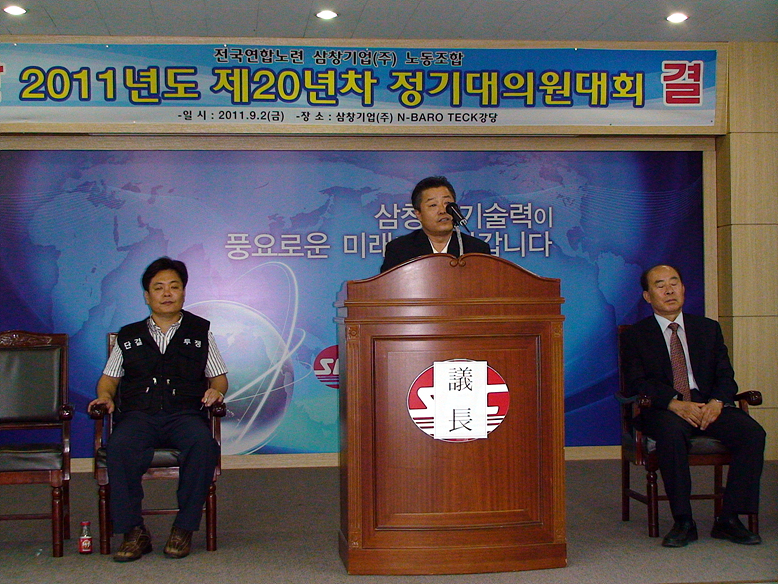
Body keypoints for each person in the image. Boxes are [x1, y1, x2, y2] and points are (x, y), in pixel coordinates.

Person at [88, 257, 228, 562]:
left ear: (183, 292)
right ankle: (133, 532)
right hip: (139, 416)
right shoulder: (128, 336)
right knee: (119, 447)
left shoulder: (200, 332)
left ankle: (183, 528)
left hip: (184, 415)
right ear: (147, 296)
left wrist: (216, 391)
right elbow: (109, 380)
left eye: (174, 287)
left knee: (203, 444)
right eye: (159, 287)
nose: (167, 293)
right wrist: (105, 397)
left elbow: (219, 377)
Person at [621, 264, 765, 548]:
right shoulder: (636, 335)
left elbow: (725, 375)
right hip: (664, 408)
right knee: (671, 434)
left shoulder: (708, 329)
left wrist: (717, 402)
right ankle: (683, 521)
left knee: (752, 434)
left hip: (707, 404)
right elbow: (637, 382)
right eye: (660, 285)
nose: (669, 290)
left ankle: (729, 518)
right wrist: (674, 403)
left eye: (674, 283)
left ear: (684, 289)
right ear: (648, 296)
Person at [380, 175, 491, 272]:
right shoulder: (399, 250)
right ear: (418, 214)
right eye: (433, 205)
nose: (443, 210)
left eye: (447, 203)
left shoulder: (477, 250)